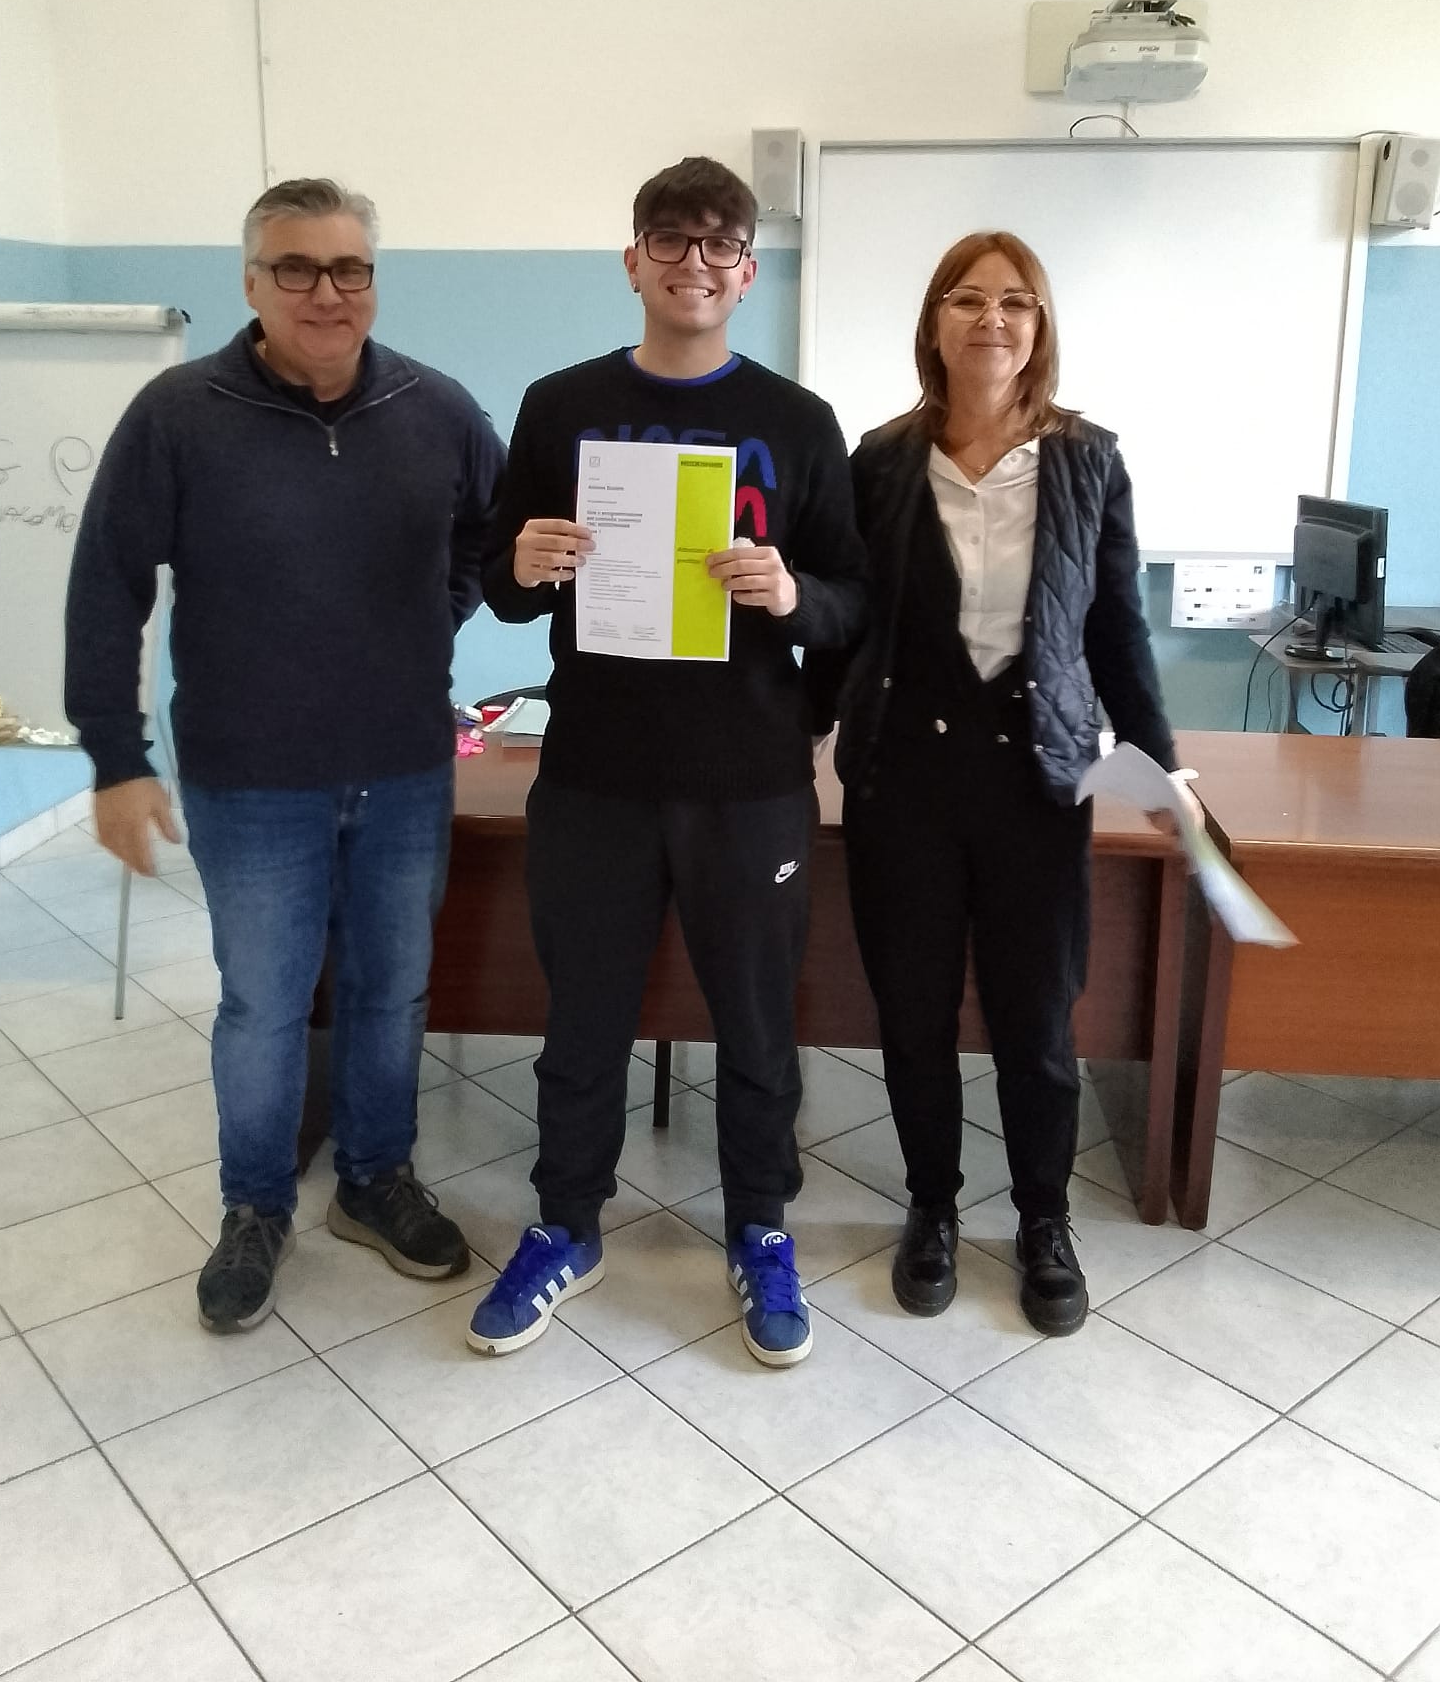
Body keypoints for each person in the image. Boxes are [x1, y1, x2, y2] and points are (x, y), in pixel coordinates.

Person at [65, 177, 506, 1333]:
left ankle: (374, 1179)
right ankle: (256, 1206)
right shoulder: (179, 413)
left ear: (373, 280)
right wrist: (115, 756)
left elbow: (493, 531)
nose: (326, 291)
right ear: (253, 282)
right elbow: (108, 582)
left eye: (349, 267)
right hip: (250, 778)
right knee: (263, 1003)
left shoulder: (437, 407)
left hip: (403, 768)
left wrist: (441, 609)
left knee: (390, 988)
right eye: (297, 267)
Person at [465, 156, 866, 1367]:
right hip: (595, 772)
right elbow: (500, 582)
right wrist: (522, 561)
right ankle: (565, 1223)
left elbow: (853, 603)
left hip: (749, 781)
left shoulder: (798, 421)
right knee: (581, 1015)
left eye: (719, 242)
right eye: (671, 238)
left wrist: (792, 594)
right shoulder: (559, 404)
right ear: (632, 259)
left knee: (757, 1022)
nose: (695, 260)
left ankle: (760, 1226)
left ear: (749, 271)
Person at [811, 230, 1196, 1338]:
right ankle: (931, 1207)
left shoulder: (1088, 461)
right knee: (914, 1011)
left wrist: (1161, 760)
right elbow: (851, 622)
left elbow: (1115, 629)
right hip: (904, 781)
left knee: (1037, 1020)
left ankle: (1043, 1220)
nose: (992, 319)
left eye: (1015, 302)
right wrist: (792, 729)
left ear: (1040, 327)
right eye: (968, 299)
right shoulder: (881, 461)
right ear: (934, 322)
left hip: (1037, 781)